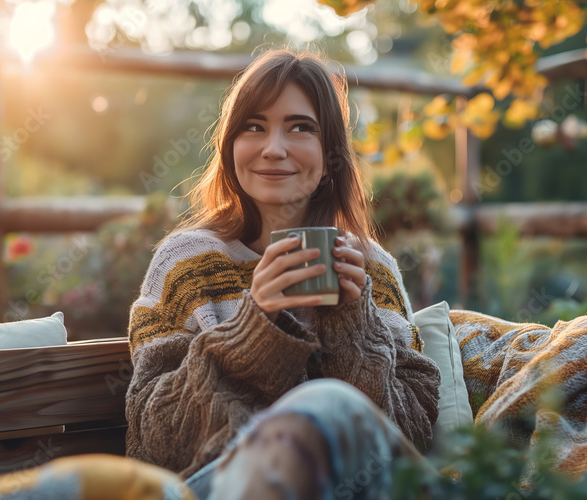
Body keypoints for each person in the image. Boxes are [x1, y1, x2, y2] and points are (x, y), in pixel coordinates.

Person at [126, 48, 441, 500]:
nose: (274, 149)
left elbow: (409, 438)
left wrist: (353, 325)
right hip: (219, 486)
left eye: (300, 128)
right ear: (230, 144)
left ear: (330, 151)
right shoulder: (186, 265)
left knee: (331, 410)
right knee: (324, 407)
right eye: (254, 127)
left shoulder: (371, 269)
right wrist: (256, 328)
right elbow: (155, 434)